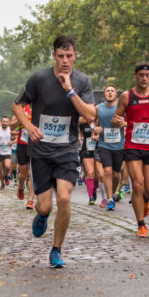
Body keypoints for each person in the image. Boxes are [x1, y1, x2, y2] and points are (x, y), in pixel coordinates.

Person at [12, 35, 96, 269]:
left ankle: (56, 250)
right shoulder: (39, 79)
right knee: (45, 206)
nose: (65, 60)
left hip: (67, 149)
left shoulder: (82, 81)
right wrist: (28, 126)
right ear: (54, 56)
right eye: (61, 56)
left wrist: (70, 91)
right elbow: (17, 106)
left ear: (75, 56)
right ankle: (42, 215)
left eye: (69, 56)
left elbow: (89, 115)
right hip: (40, 151)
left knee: (65, 198)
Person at [113, 62, 149, 235]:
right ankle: (141, 225)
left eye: (147, 75)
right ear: (135, 76)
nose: (144, 78)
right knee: (137, 185)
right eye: (141, 75)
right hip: (133, 145)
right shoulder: (126, 96)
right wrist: (117, 122)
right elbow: (116, 118)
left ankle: (146, 200)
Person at [93, 85, 125, 210]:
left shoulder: (121, 108)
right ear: (104, 94)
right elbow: (93, 122)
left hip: (118, 145)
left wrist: (123, 123)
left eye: (112, 91)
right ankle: (110, 198)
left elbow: (129, 121)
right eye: (107, 91)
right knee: (107, 171)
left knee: (116, 175)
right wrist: (94, 130)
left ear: (116, 94)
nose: (110, 93)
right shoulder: (98, 108)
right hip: (103, 144)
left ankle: (113, 192)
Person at [0, 117, 13, 191]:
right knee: (0, 171)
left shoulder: (11, 129)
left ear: (9, 122)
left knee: (7, 166)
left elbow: (17, 137)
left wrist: (12, 142)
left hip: (7, 151)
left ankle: (6, 176)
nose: (5, 123)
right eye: (3, 121)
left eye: (6, 121)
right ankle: (2, 184)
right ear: (1, 122)